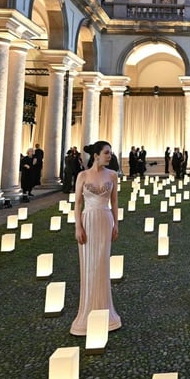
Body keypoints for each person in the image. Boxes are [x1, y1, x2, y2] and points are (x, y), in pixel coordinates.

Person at [70, 140, 121, 336]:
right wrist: (78, 226)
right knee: (88, 265)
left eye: (110, 153)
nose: (110, 156)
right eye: (107, 153)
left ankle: (106, 310)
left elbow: (115, 202)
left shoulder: (113, 175)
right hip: (88, 220)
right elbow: (77, 204)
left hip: (105, 219)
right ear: (96, 155)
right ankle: (87, 311)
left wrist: (116, 223)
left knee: (102, 264)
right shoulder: (82, 176)